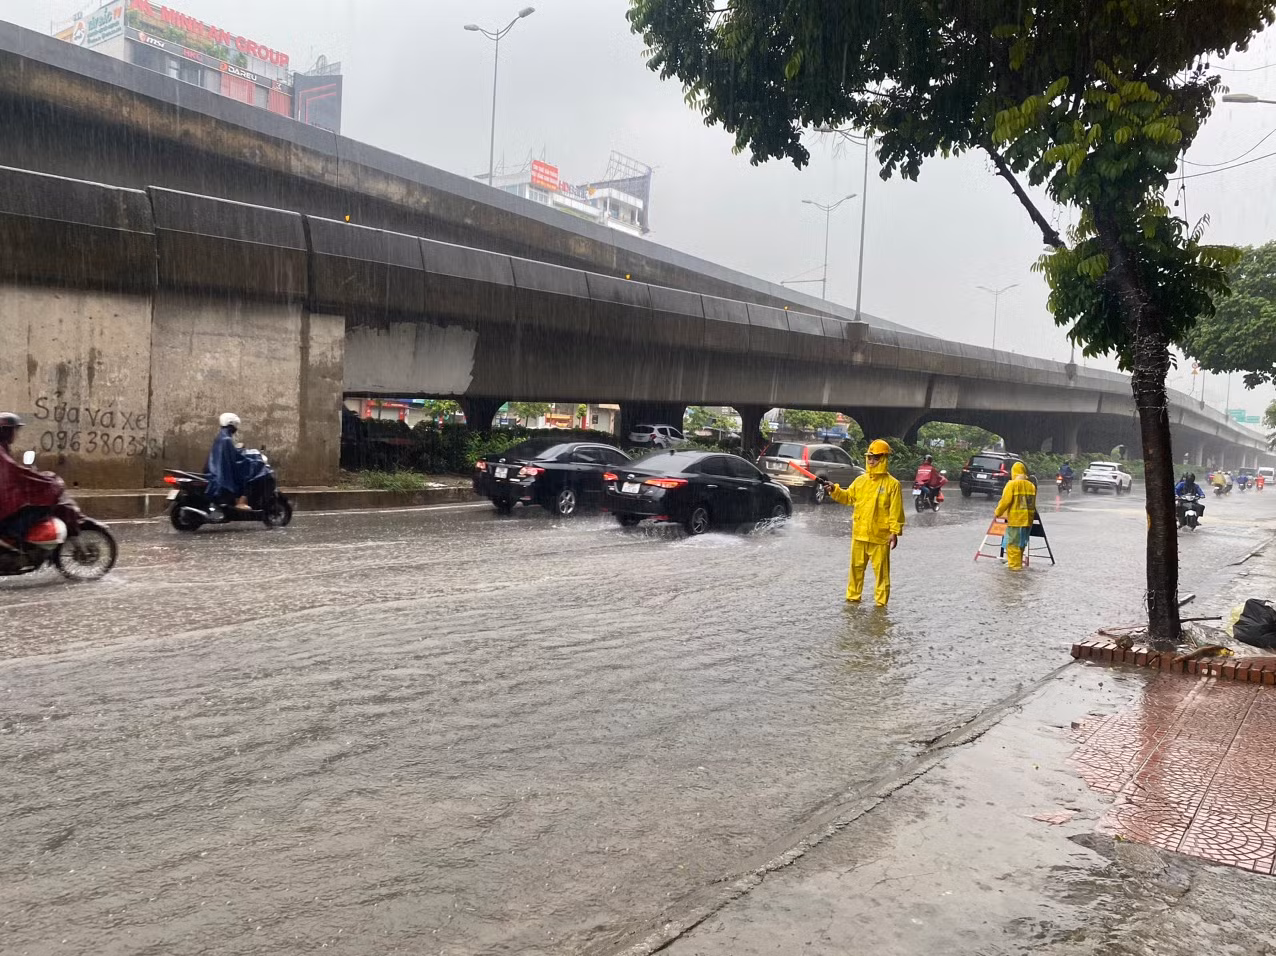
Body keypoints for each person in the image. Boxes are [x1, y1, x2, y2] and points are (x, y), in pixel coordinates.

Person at [818, 438, 906, 606]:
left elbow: (896, 511)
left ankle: (881, 606)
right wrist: (834, 490)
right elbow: (848, 497)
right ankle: (852, 600)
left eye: (876, 458)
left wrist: (894, 532)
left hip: (880, 537)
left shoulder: (893, 485)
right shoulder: (860, 481)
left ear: (884, 459)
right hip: (859, 535)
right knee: (855, 570)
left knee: (881, 574)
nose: (871, 461)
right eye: (870, 458)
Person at [0, 412, 65, 547]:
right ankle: (12, 534)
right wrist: (45, 480)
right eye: (13, 430)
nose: (15, 434)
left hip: (5, 494)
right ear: (5, 432)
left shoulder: (3, 449)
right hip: (4, 498)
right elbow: (16, 472)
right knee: (39, 505)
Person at [205, 413, 273, 515]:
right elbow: (235, 459)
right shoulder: (226, 439)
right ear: (232, 425)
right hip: (223, 474)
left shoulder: (222, 436)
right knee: (251, 472)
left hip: (218, 470)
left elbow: (231, 455)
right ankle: (241, 502)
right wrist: (253, 460)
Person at [994, 461, 1037, 571]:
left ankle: (1014, 572)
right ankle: (1018, 568)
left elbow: (1005, 501)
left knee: (1013, 546)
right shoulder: (1031, 486)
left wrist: (997, 513)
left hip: (1016, 521)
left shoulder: (1011, 485)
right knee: (1021, 545)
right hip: (1028, 521)